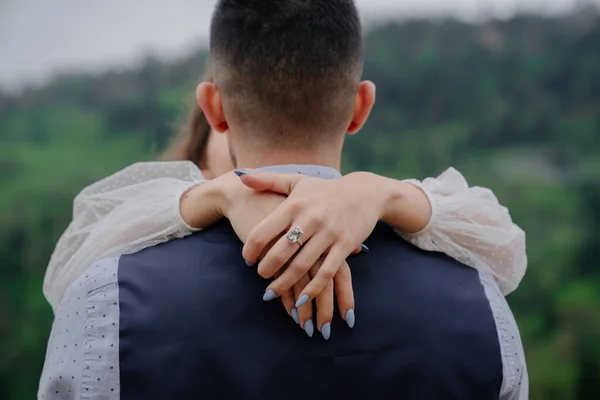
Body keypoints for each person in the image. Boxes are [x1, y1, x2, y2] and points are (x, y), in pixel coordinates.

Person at [39, 0, 528, 398]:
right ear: (360, 107)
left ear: (213, 107)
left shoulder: (107, 296)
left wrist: (214, 194)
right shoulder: (479, 300)